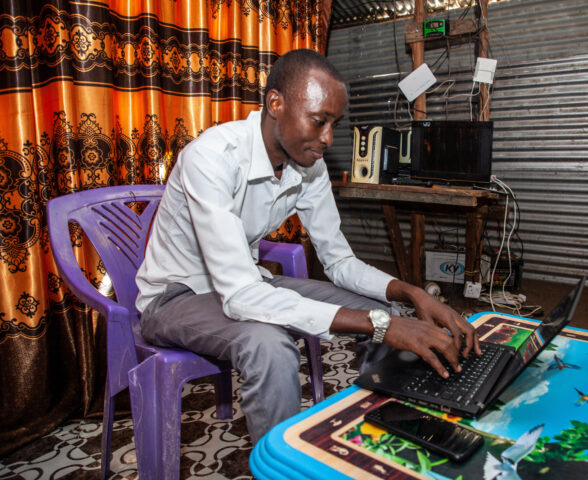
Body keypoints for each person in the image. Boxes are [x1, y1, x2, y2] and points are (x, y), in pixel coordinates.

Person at [135, 49, 481, 442]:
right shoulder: (212, 158)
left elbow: (339, 261)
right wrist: (381, 326)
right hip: (176, 297)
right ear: (275, 103)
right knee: (269, 345)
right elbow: (240, 295)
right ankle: (280, 466)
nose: (328, 139)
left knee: (380, 311)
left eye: (334, 123)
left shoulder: (309, 165)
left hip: (248, 283)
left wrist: (411, 292)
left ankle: (390, 433)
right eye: (319, 121)